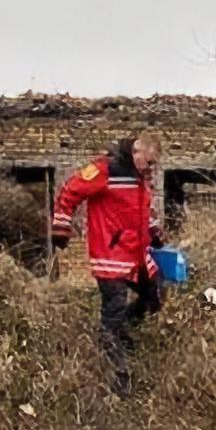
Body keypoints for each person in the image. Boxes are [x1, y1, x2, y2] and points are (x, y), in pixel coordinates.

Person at [52, 134, 164, 396]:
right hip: (110, 257)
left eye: (154, 164)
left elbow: (143, 209)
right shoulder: (105, 169)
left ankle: (118, 332)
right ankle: (117, 372)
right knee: (113, 309)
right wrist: (61, 225)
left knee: (155, 295)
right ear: (136, 152)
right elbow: (70, 190)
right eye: (149, 163)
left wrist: (155, 232)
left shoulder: (140, 177)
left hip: (136, 256)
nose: (152, 168)